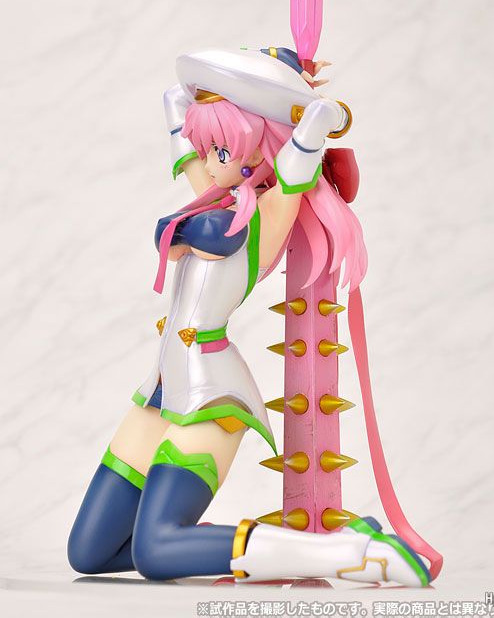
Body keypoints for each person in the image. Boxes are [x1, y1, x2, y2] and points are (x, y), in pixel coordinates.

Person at [67, 48, 431, 587]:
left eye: (222, 149)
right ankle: (233, 549)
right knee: (90, 551)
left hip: (211, 397)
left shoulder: (265, 217)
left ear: (261, 147)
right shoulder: (212, 202)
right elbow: (183, 136)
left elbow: (295, 165)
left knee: (155, 551)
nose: (210, 163)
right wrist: (196, 93)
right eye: (207, 148)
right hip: (160, 392)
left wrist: (312, 121)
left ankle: (349, 553)